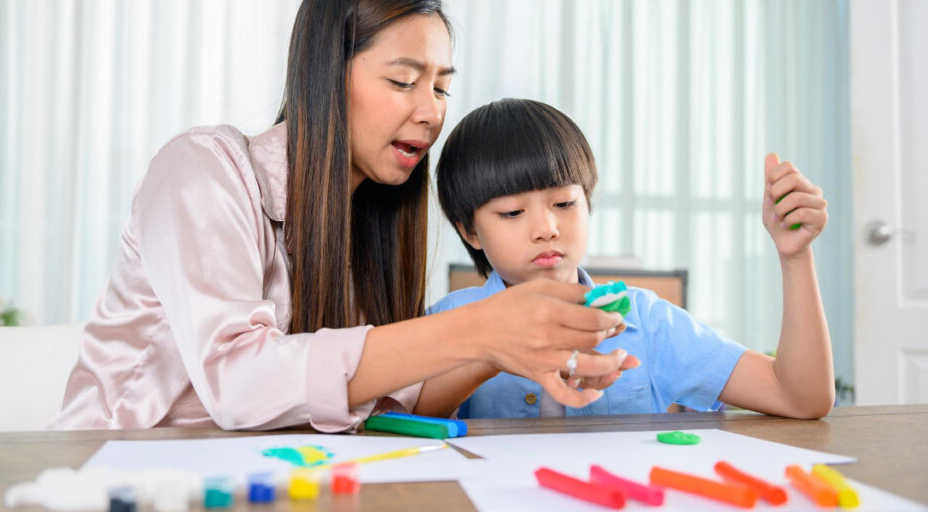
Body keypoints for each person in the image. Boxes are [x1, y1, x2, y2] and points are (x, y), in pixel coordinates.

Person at [49, 0, 631, 432]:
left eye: (443, 89)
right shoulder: (202, 171)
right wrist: (479, 327)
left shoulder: (368, 224)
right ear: (327, 75)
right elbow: (239, 381)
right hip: (114, 470)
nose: (431, 113)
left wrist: (501, 351)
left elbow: (386, 406)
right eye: (404, 80)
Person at [425, 98, 834, 420]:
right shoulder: (444, 324)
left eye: (565, 202)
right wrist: (488, 354)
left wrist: (794, 257)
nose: (546, 227)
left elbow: (800, 398)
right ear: (470, 231)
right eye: (513, 212)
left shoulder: (647, 321)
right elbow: (392, 423)